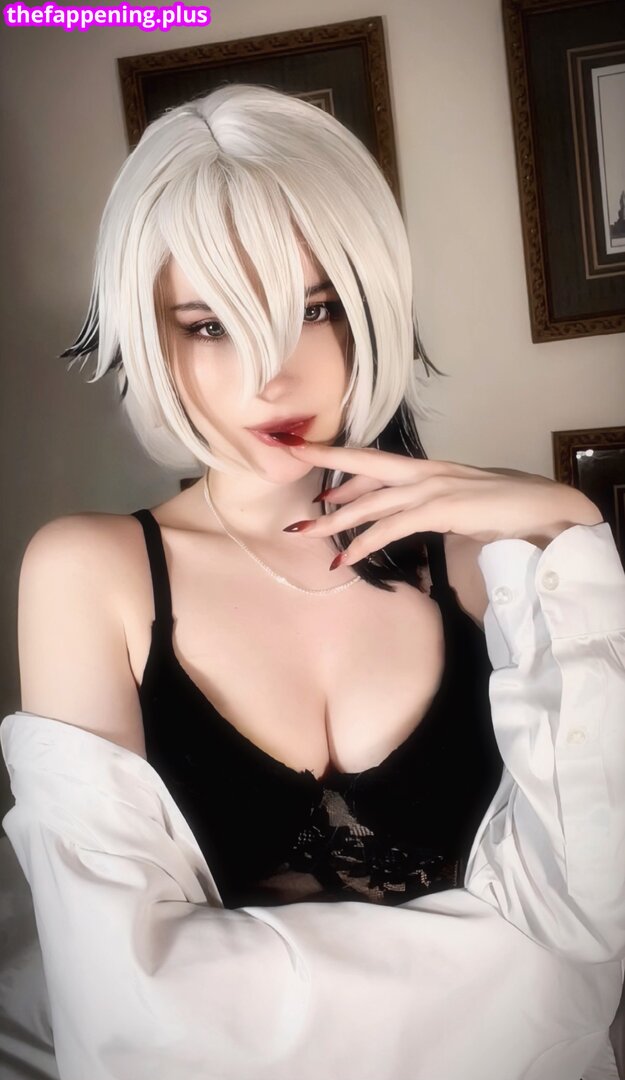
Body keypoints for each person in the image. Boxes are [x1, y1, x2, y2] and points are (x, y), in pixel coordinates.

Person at [1, 83, 624, 1080]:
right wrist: (503, 967)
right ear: (150, 332)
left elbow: (592, 925)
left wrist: (571, 533)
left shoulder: (488, 564)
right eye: (210, 324)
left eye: (314, 309)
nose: (270, 375)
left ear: (369, 305)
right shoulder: (89, 575)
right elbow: (125, 1014)